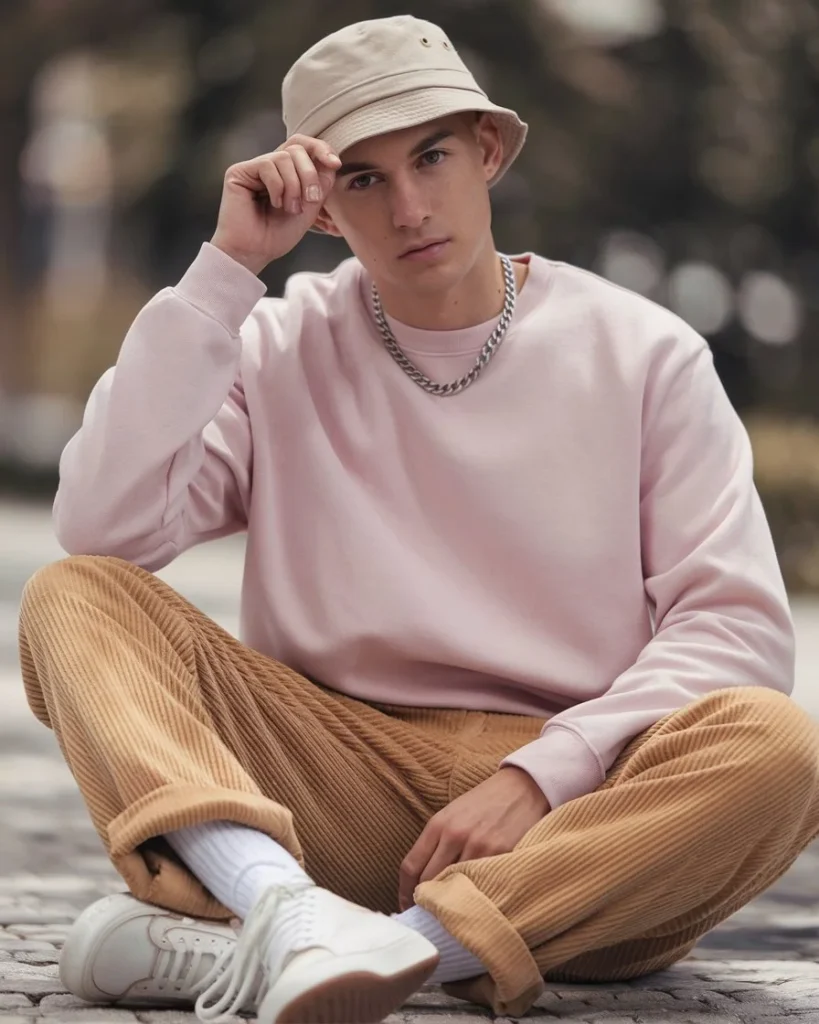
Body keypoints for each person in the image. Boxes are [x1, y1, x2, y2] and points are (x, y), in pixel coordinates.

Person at [18, 13, 819, 1024]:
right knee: (75, 595)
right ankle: (281, 907)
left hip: (577, 826)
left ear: (486, 150)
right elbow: (106, 523)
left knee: (776, 746)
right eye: (362, 178)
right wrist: (224, 272)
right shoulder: (272, 344)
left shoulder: (644, 353)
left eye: (431, 156)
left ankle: (378, 948)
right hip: (333, 782)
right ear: (318, 208)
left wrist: (542, 773)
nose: (408, 205)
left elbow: (736, 629)